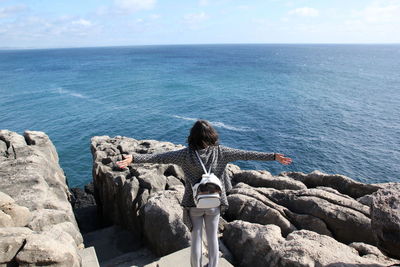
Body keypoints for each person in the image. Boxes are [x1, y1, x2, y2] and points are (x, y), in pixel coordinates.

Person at [116, 119, 292, 267]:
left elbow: (159, 157)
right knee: (213, 238)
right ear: (212, 136)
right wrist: (274, 156)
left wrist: (134, 158)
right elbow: (247, 155)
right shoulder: (222, 152)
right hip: (214, 202)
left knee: (196, 239)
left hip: (194, 203)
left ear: (192, 137)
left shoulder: (185, 155)